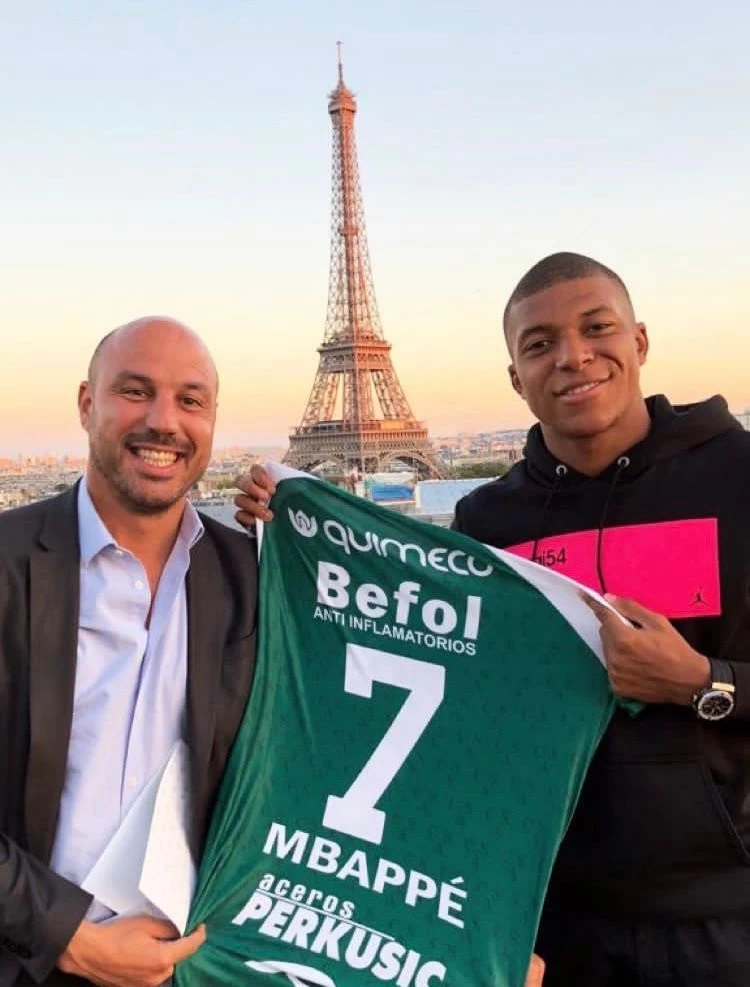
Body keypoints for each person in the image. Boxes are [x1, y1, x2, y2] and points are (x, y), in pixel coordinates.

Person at [235, 252, 750, 986]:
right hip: (539, 922)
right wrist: (286, 532)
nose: (573, 356)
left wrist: (702, 681)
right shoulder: (487, 522)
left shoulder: (736, 478)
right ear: (516, 375)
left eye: (596, 328)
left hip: (719, 918)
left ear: (638, 341)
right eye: (539, 343)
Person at [0, 318, 258, 987]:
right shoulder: (6, 564)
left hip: (187, 967)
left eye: (190, 400)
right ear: (87, 403)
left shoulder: (251, 579)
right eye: (135, 392)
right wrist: (69, 937)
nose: (163, 421)